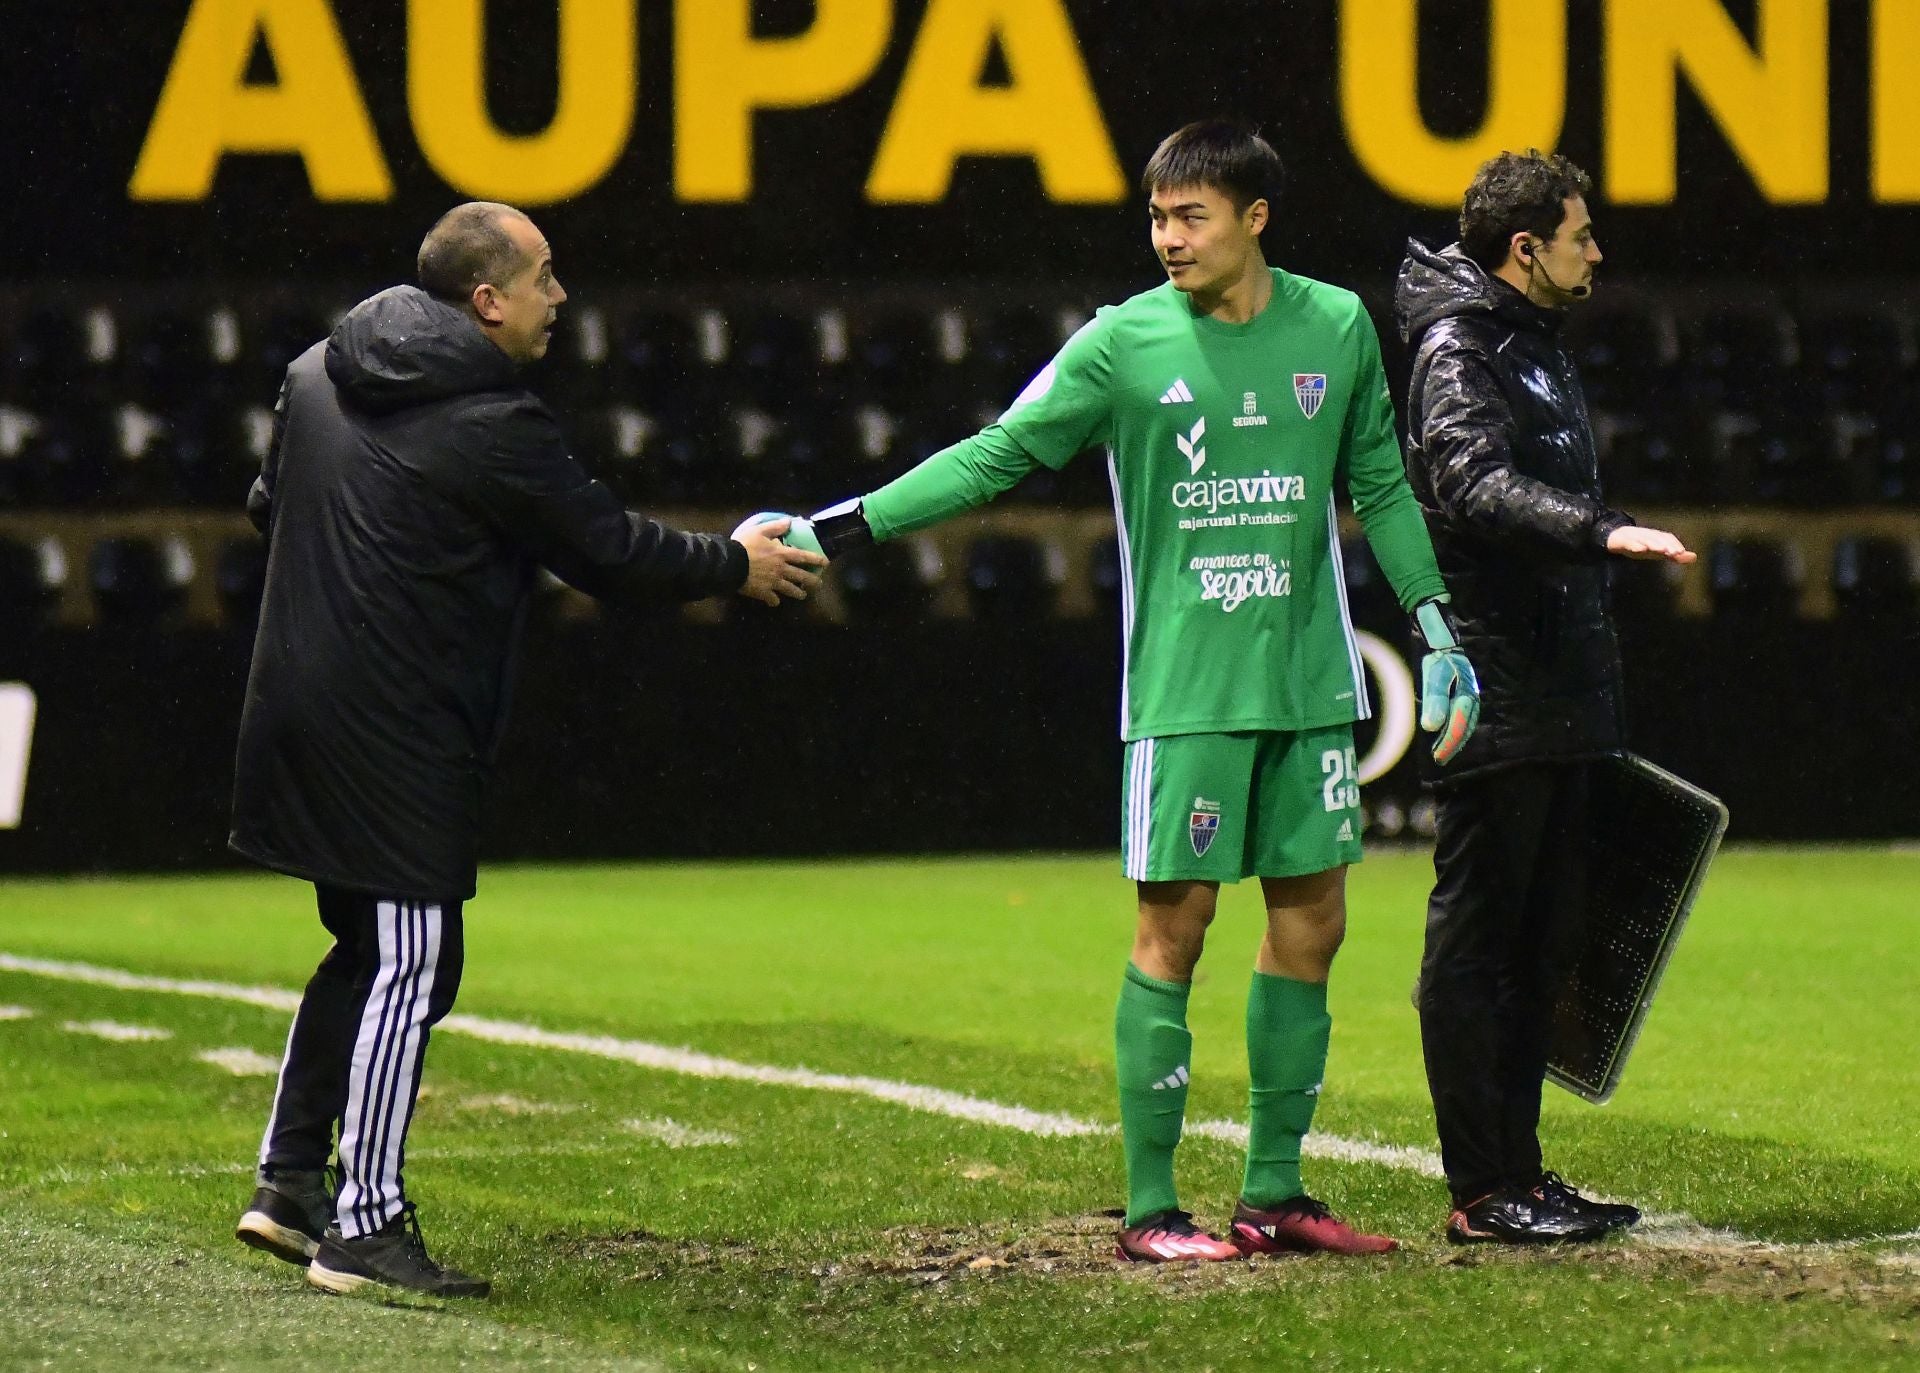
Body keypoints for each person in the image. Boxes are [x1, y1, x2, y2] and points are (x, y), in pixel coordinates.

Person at [797, 121, 1480, 1262]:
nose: (1168, 238)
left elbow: (1381, 483)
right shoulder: (1121, 343)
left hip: (1310, 681)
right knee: (1176, 927)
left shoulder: (1339, 325)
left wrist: (1436, 623)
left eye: (1190, 215)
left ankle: (1275, 1193)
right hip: (1186, 688)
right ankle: (1153, 1209)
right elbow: (996, 453)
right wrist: (845, 522)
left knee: (1313, 923)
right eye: (1157, 217)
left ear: (1255, 217)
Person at [229, 202, 825, 1297]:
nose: (562, 298)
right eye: (545, 278)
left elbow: (271, 506)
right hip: (395, 729)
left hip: (294, 703)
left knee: (367, 952)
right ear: (486, 299)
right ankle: (364, 1224)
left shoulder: (313, 369)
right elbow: (607, 549)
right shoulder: (493, 420)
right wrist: (733, 563)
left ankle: (286, 1184)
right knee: (412, 961)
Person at [1396, 151, 1695, 1244]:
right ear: (1527, 249)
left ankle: (1519, 1172)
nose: (1598, 250)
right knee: (1483, 940)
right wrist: (1596, 528)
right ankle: (1483, 1188)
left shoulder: (1530, 343)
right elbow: (1470, 483)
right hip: (1497, 686)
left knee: (1544, 944)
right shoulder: (1459, 344)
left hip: (1561, 683)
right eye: (1582, 233)